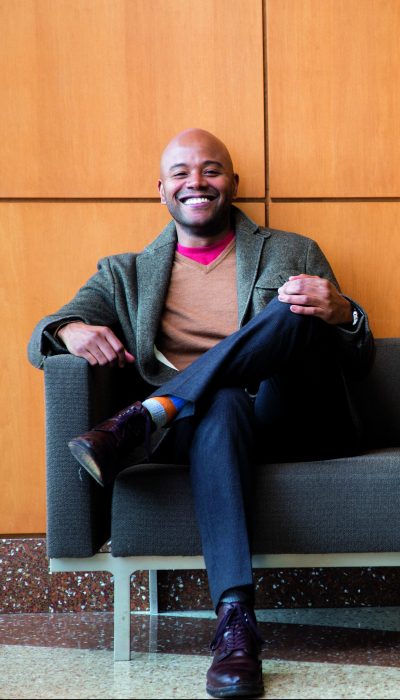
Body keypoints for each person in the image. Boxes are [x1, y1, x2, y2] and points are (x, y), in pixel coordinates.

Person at [28, 128, 374, 698]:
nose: (197, 181)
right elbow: (40, 336)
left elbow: (357, 362)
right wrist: (69, 329)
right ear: (161, 188)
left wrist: (344, 314)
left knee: (292, 306)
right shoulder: (125, 274)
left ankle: (153, 411)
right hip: (210, 431)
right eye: (181, 172)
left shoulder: (291, 250)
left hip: (291, 416)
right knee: (222, 403)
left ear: (233, 183)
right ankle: (236, 627)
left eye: (211, 170)